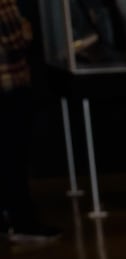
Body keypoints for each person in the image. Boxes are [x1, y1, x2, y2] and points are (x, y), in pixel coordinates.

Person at [1, 0, 61, 243]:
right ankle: (23, 222)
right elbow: (17, 38)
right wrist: (26, 30)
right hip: (10, 85)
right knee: (14, 158)